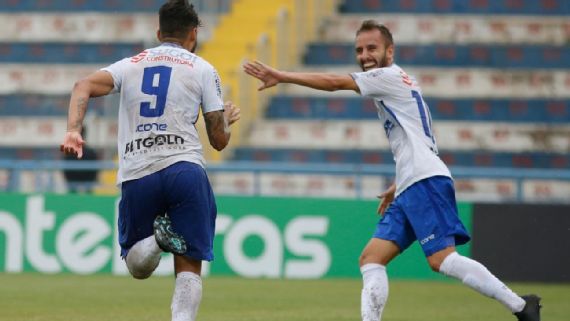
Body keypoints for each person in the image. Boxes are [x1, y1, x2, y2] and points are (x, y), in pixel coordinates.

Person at [244, 20, 540, 321]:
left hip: (424, 181)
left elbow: (335, 83)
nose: (364, 55)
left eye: (372, 48)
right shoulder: (400, 82)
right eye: (359, 50)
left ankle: (520, 307)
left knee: (442, 259)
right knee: (371, 259)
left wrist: (281, 76)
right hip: (412, 183)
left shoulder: (386, 77)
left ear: (390, 50)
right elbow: (419, 141)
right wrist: (398, 184)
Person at [60, 1, 241, 321]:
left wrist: (74, 130)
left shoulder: (130, 65)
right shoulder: (202, 68)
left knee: (136, 266)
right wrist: (225, 120)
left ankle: (157, 240)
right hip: (185, 170)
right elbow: (219, 140)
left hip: (138, 172)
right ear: (193, 34)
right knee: (190, 265)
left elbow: (82, 85)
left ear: (159, 32)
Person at [62, 126, 98, 193]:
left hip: (78, 189)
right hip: (80, 188)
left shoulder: (69, 153)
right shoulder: (91, 152)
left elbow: (66, 173)